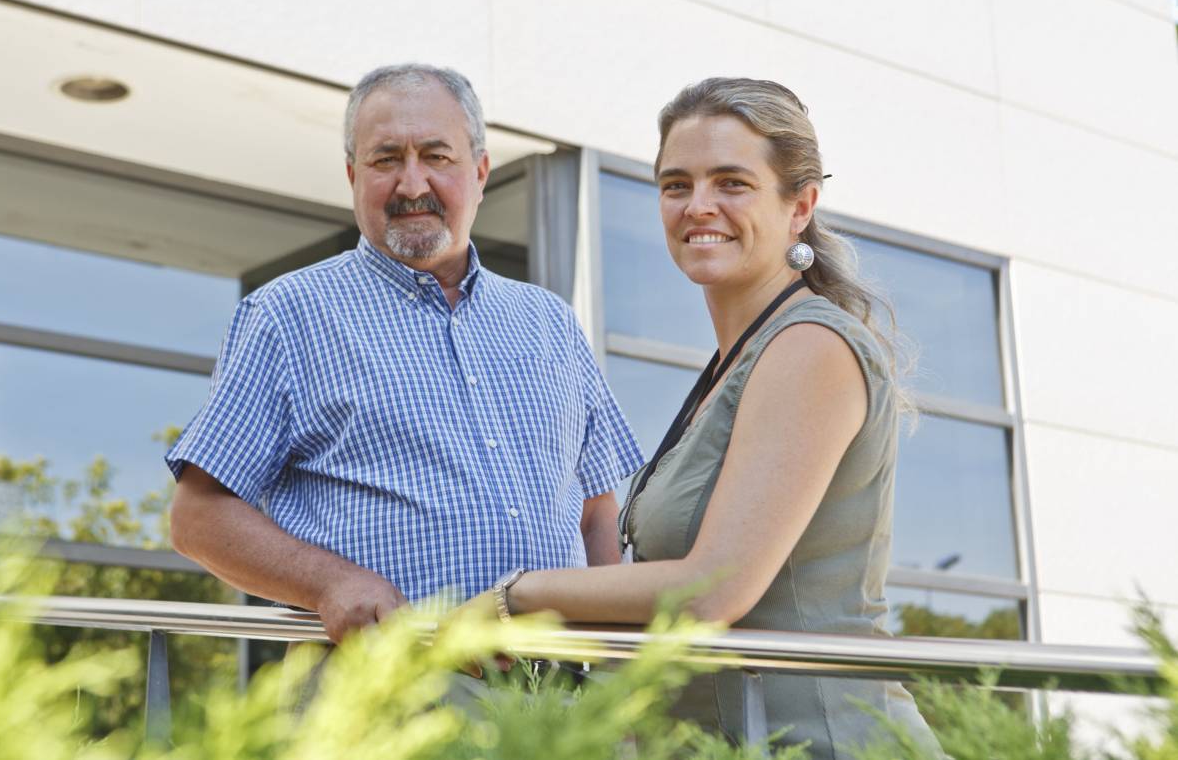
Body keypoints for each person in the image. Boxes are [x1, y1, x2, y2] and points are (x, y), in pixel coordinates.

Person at [474, 77, 942, 759]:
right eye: (675, 184)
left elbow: (712, 589)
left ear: (799, 207)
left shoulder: (809, 347)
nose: (698, 206)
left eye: (731, 183)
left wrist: (512, 598)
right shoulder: (738, 359)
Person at [166, 63, 642, 644]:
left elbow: (595, 512)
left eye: (436, 156)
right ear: (351, 175)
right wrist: (331, 583)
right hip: (379, 690)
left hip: (555, 707)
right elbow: (198, 518)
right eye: (386, 159)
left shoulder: (552, 323)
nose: (412, 185)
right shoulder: (288, 315)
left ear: (481, 171)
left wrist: (618, 672)